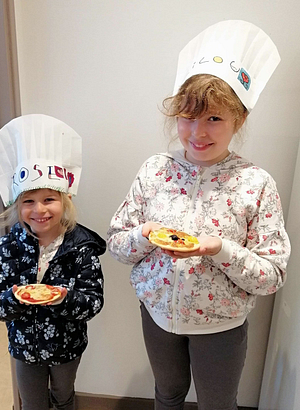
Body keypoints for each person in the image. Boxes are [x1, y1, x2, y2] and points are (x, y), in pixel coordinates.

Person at [107, 20, 291, 410]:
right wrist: (145, 233)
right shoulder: (155, 169)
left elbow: (272, 275)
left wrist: (219, 248)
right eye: (188, 117)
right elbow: (117, 244)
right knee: (167, 395)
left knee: (217, 405)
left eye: (213, 118)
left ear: (238, 120)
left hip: (221, 327)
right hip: (157, 316)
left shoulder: (255, 183)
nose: (197, 132)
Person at [0, 114, 105, 410]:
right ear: (17, 206)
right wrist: (14, 298)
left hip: (67, 347)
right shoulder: (6, 248)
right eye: (28, 201)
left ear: (65, 202)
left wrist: (63, 298)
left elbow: (94, 303)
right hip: (24, 347)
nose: (39, 210)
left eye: (49, 199)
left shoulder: (82, 249)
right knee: (32, 403)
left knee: (64, 397)